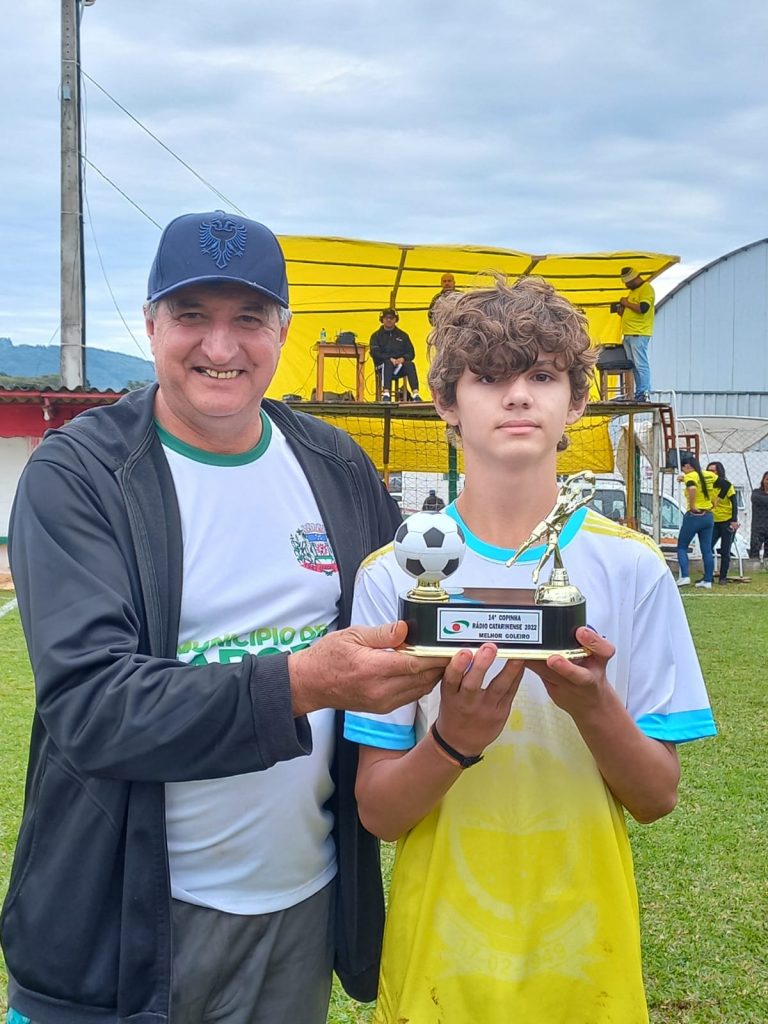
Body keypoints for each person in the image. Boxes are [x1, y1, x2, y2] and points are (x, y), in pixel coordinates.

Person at [1, 211, 450, 1024]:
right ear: (149, 325)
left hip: (302, 905)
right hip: (124, 928)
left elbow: (412, 607)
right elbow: (92, 706)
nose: (220, 346)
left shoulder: (334, 466)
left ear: (283, 331)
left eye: (248, 318)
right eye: (191, 316)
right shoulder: (80, 475)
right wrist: (303, 682)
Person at [344, 277, 716, 1023]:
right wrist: (453, 740)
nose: (517, 396)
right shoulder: (395, 574)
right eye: (488, 377)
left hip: (585, 966)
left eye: (542, 376)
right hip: (440, 968)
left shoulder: (634, 566)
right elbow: (379, 814)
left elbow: (656, 798)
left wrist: (595, 707)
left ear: (576, 400)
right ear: (446, 402)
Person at [675, 453, 717, 588]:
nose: (683, 471)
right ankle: (708, 580)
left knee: (682, 546)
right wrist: (714, 503)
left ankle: (685, 576)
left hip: (694, 515)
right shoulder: (709, 475)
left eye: (683, 468)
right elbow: (726, 487)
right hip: (708, 515)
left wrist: (693, 506)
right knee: (707, 549)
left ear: (687, 466)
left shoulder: (690, 476)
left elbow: (692, 488)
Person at [613, 266, 655, 401]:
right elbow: (633, 310)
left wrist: (626, 303)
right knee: (634, 366)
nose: (626, 285)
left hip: (639, 333)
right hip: (629, 334)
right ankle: (639, 393)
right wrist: (622, 311)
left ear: (634, 279)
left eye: (627, 283)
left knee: (641, 364)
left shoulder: (646, 289)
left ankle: (645, 392)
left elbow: (643, 308)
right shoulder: (633, 292)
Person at [369, 309, 422, 402]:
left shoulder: (403, 335)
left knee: (410, 364)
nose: (389, 320)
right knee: (388, 363)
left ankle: (415, 394)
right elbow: (375, 353)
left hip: (399, 367)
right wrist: (389, 359)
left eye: (391, 318)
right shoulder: (376, 336)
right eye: (386, 318)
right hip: (382, 366)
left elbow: (411, 353)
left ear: (396, 319)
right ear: (382, 319)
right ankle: (386, 394)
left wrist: (403, 358)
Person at [707, 460, 739, 584]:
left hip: (726, 521)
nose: (710, 473)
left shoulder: (726, 485)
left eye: (713, 471)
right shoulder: (707, 485)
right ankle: (708, 576)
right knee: (707, 547)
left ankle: (723, 577)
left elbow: (734, 503)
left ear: (719, 472)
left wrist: (734, 520)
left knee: (725, 550)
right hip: (713, 521)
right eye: (708, 471)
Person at [749, 470, 768, 561]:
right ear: (763, 480)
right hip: (758, 526)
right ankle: (753, 566)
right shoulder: (756, 493)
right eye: (767, 479)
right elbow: (756, 499)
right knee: (754, 550)